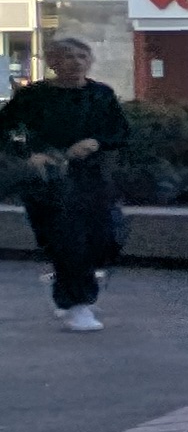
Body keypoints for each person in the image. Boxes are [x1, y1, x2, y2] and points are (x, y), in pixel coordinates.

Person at [4, 35, 128, 332]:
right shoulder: (33, 96)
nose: (76, 62)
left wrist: (96, 142)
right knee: (68, 240)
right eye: (68, 56)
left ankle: (71, 291)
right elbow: (5, 129)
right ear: (53, 63)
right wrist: (29, 154)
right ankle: (78, 305)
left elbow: (120, 131)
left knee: (105, 236)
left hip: (92, 177)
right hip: (49, 180)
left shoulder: (100, 94)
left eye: (82, 57)